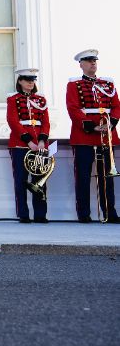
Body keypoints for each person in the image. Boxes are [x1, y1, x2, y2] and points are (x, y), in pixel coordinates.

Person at [66, 49, 120, 223]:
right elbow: (73, 108)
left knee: (107, 177)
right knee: (83, 176)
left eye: (94, 60)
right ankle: (83, 214)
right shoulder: (74, 84)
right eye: (89, 61)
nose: (93, 63)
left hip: (106, 135)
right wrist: (91, 126)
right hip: (84, 135)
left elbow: (116, 106)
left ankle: (110, 213)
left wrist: (110, 124)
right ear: (81, 64)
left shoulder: (108, 83)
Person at [6, 68, 51, 223]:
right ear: (20, 81)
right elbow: (13, 121)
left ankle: (40, 214)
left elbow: (46, 122)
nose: (31, 82)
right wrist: (29, 141)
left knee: (40, 180)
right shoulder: (13, 99)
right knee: (21, 180)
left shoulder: (41, 99)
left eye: (32, 80)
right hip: (20, 145)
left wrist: (42, 141)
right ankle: (23, 214)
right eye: (27, 79)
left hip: (40, 145)